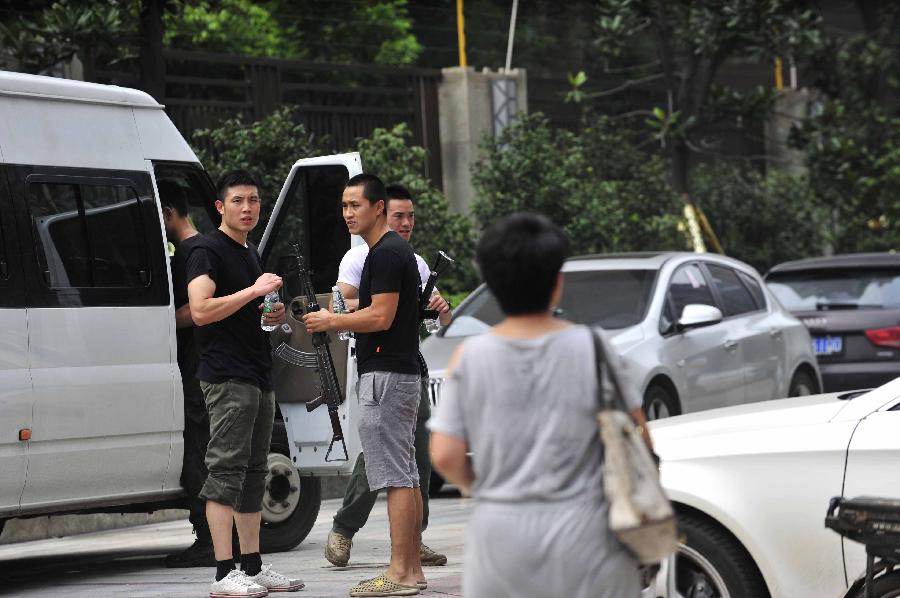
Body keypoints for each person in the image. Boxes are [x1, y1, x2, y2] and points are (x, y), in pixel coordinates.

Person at [428, 212, 650, 598]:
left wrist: (488, 489)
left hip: (501, 541)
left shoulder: (470, 356)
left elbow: (445, 455)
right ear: (557, 284)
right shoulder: (596, 348)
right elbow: (640, 440)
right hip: (591, 538)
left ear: (492, 287)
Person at [303, 174, 425, 597]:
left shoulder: (388, 253)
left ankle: (399, 573)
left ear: (378, 208)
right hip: (394, 373)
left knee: (394, 477)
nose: (348, 213)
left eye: (355, 205)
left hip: (387, 375)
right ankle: (411, 570)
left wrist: (330, 320)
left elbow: (381, 317)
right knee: (405, 475)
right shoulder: (382, 253)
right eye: (343, 206)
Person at [187, 170, 304, 597]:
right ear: (220, 206)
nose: (247, 208)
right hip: (226, 376)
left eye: (254, 200)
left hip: (257, 372)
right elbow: (200, 310)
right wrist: (253, 292)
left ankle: (251, 566)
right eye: (238, 200)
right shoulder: (207, 250)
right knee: (226, 472)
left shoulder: (249, 250)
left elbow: (244, 312)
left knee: (254, 473)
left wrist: (268, 316)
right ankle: (222, 572)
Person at [324, 184, 451, 571]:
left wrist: (439, 309)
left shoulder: (401, 257)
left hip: (400, 367)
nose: (407, 223)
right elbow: (341, 302)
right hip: (385, 367)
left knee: (407, 464)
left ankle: (407, 556)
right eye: (400, 216)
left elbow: (427, 320)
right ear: (383, 212)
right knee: (392, 462)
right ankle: (348, 530)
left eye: (411, 216)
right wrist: (389, 301)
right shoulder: (361, 257)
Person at [157, 181, 217, 569]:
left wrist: (157, 318)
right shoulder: (203, 248)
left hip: (198, 368)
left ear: (168, 214)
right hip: (199, 365)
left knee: (199, 453)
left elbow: (199, 310)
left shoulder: (195, 253)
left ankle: (209, 537)